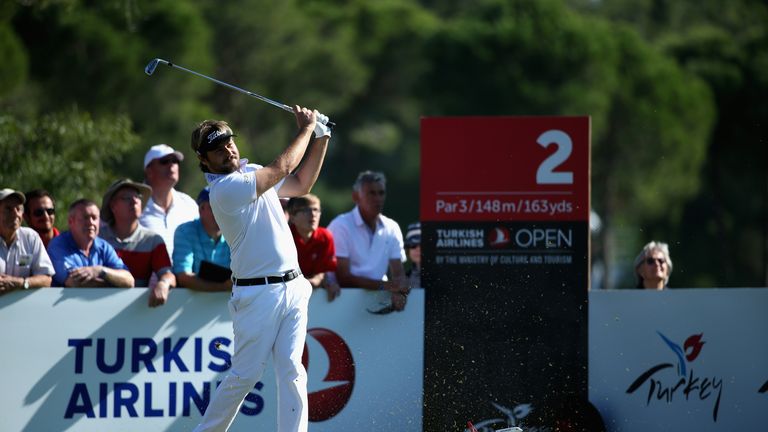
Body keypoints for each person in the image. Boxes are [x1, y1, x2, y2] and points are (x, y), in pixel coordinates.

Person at [189, 106, 331, 432]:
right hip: (257, 294)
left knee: (292, 369)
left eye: (228, 143)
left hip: (293, 286)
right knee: (245, 375)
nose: (227, 151)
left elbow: (301, 184)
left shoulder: (250, 172)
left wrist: (321, 137)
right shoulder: (224, 190)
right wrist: (306, 128)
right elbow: (283, 167)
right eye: (217, 149)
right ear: (204, 160)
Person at [327, 170, 409, 311]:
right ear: (356, 196)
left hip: (376, 300)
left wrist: (400, 290)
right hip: (339, 302)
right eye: (371, 193)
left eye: (381, 193)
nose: (378, 198)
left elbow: (398, 272)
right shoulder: (341, 225)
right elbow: (343, 278)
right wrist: (387, 286)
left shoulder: (392, 227)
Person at [100, 179, 176, 307]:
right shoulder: (98, 238)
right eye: (126, 198)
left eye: (137, 197)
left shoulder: (153, 240)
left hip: (136, 311)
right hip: (99, 307)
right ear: (113, 206)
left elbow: (169, 275)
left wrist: (164, 283)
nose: (134, 201)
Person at [48, 199, 134, 288]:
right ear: (71, 222)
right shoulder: (58, 246)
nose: (91, 222)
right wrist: (114, 282)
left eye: (94, 218)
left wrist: (100, 271)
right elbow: (74, 282)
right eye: (85, 217)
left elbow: (129, 281)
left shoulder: (104, 247)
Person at [139, 144, 199, 259]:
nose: (172, 165)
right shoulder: (134, 205)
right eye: (164, 161)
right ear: (149, 171)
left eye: (175, 161)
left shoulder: (189, 204)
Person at [172, 187, 232, 292]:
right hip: (191, 302)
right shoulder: (184, 231)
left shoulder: (236, 233)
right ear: (201, 209)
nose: (222, 212)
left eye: (226, 207)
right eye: (216, 207)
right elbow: (183, 277)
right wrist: (223, 287)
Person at [0, 189, 54, 294]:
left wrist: (22, 283)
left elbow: (47, 279)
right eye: (8, 209)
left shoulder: (30, 237)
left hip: (24, 304)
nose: (15, 214)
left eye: (18, 209)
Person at [286, 194, 339, 301]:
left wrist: (321, 280)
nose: (313, 214)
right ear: (292, 217)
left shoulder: (325, 237)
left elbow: (324, 272)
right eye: (305, 210)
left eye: (316, 210)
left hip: (312, 295)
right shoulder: (284, 237)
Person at [404, 222, 421, 289]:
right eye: (413, 245)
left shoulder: (443, 277)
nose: (418, 249)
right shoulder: (404, 279)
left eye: (422, 245)